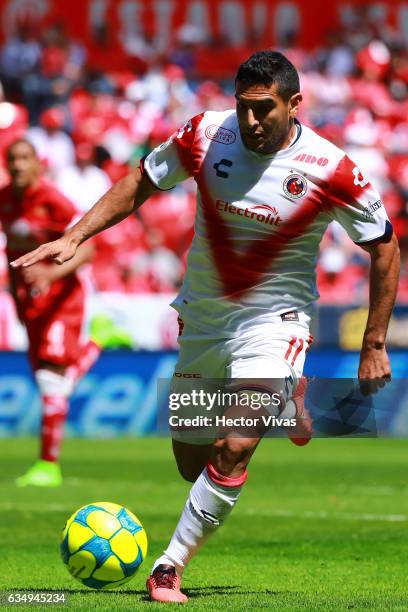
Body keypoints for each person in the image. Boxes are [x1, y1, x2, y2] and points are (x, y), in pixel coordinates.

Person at [12, 51, 400, 600]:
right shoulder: (205, 133)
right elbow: (142, 182)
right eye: (243, 107)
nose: (250, 121)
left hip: (275, 321)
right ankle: (287, 401)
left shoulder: (332, 168)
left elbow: (384, 248)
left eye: (263, 109)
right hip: (203, 319)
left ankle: (168, 567)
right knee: (190, 463)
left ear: (294, 105)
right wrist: (76, 235)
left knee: (233, 446)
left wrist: (374, 341)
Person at [2, 139, 100, 487]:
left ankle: (48, 465)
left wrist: (50, 273)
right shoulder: (5, 200)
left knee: (50, 381)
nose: (17, 165)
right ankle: (92, 350)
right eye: (12, 159)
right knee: (48, 379)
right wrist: (16, 298)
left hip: (63, 298)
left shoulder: (54, 200)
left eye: (24, 158)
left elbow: (87, 250)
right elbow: (13, 258)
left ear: (38, 165)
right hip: (31, 303)